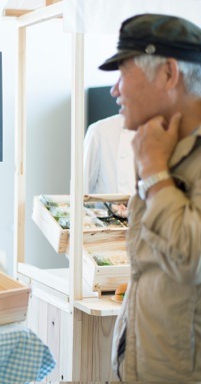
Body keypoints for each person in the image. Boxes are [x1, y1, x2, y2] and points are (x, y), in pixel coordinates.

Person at [99, 13, 201, 381]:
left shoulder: (157, 158)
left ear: (169, 74)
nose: (115, 90)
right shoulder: (160, 147)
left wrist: (155, 173)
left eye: (123, 73)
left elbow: (194, 260)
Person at [83, 113, 136, 195]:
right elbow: (80, 194)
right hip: (106, 208)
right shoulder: (99, 130)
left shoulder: (161, 130)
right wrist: (109, 205)